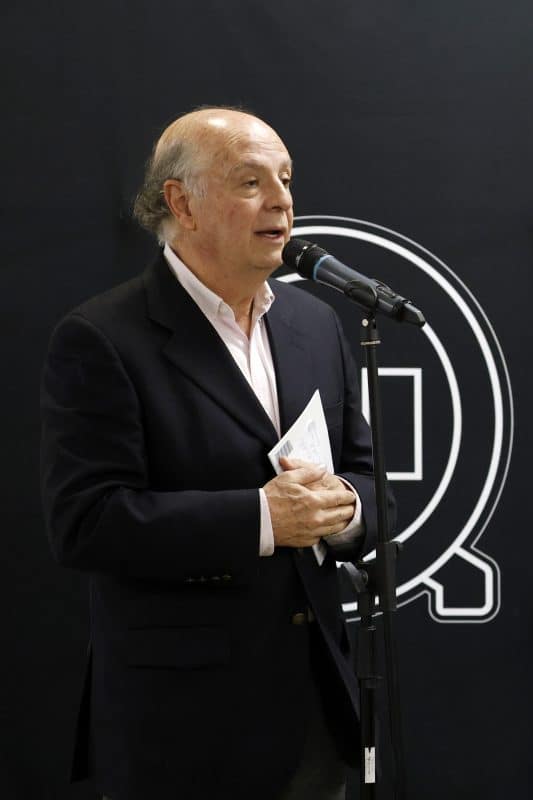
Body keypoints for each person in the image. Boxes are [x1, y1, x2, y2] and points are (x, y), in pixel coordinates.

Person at [40, 107, 395, 800]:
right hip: (180, 726)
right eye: (250, 181)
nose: (281, 200)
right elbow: (86, 522)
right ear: (181, 203)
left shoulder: (315, 323)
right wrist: (262, 520)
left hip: (312, 715)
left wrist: (347, 510)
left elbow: (366, 478)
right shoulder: (102, 337)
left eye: (286, 179)